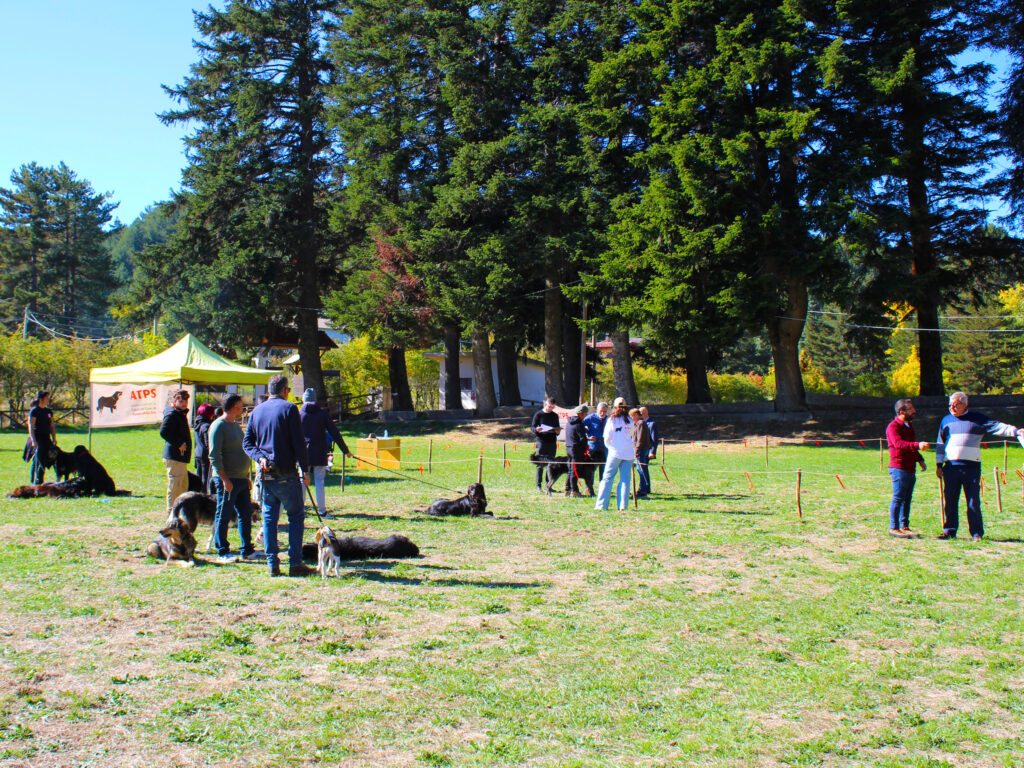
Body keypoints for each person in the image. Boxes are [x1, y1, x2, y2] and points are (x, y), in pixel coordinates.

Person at [243, 374, 314, 576]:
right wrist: (305, 470)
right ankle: (295, 563)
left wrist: (259, 458)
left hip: (266, 474)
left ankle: (273, 564)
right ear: (285, 391)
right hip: (286, 472)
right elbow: (299, 443)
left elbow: (247, 442)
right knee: (295, 516)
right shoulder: (290, 409)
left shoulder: (257, 411)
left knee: (269, 518)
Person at [935, 391, 1023, 541]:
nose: (952, 408)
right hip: (951, 467)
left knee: (973, 501)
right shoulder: (945, 420)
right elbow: (940, 443)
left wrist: (1016, 431)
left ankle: (976, 533)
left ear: (964, 404)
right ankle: (949, 531)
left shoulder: (978, 419)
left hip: (971, 467)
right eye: (950, 405)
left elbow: (997, 427)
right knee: (950, 500)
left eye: (955, 405)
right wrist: (939, 464)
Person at [209, 393, 256, 562]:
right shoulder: (218, 426)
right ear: (233, 407)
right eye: (240, 405)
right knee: (224, 514)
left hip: (241, 479)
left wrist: (246, 476)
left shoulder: (235, 425)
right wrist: (224, 479)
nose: (243, 408)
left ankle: (247, 549)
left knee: (245, 513)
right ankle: (222, 550)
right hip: (227, 480)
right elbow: (214, 455)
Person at [299, 388, 352, 518]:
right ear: (315, 399)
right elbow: (335, 433)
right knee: (319, 482)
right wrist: (345, 450)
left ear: (303, 400)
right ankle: (322, 510)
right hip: (319, 452)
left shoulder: (299, 414)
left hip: (303, 453)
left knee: (302, 481)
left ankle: (299, 511)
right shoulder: (322, 414)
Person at [886, 398, 929, 537]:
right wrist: (918, 445)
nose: (914, 411)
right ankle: (894, 527)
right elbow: (899, 444)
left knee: (907, 498)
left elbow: (910, 447)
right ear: (902, 411)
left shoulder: (909, 426)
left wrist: (920, 459)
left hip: (910, 468)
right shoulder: (893, 427)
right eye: (911, 409)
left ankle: (905, 526)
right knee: (898, 498)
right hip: (899, 468)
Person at [595, 397, 634, 511]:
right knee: (625, 480)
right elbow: (631, 435)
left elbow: (607, 437)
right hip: (628, 453)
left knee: (607, 478)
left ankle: (601, 505)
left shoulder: (612, 420)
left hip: (615, 452)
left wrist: (610, 447)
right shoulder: (630, 421)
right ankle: (623, 506)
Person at [159, 389, 192, 515]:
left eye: (185, 401)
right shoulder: (172, 413)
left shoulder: (179, 413)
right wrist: (179, 443)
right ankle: (171, 513)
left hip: (180, 457)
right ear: (175, 400)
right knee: (175, 487)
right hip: (174, 456)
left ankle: (179, 511)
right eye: (181, 401)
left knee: (182, 486)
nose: (184, 404)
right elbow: (164, 431)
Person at [531, 396, 561, 492]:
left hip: (552, 442)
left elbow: (557, 429)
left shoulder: (555, 416)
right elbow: (532, 427)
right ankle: (538, 486)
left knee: (551, 465)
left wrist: (557, 431)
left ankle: (548, 485)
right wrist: (536, 430)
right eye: (549, 406)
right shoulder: (538, 414)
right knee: (540, 465)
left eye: (553, 407)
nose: (551, 409)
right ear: (545, 404)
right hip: (542, 441)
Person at [27, 390, 57, 484]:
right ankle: (34, 481)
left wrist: (54, 438)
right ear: (41, 399)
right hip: (38, 438)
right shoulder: (35, 411)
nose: (48, 399)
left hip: (47, 438)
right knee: (37, 460)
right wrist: (33, 440)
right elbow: (31, 426)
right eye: (46, 397)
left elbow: (52, 425)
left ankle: (41, 480)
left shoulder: (48, 411)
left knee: (45, 460)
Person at [564, 404, 590, 497]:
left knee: (571, 470)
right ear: (581, 414)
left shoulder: (569, 422)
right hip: (576, 449)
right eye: (585, 414)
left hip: (568, 447)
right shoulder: (579, 424)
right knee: (575, 470)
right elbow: (582, 438)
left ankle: (567, 489)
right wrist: (585, 447)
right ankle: (574, 491)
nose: (585, 416)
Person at [629, 408, 652, 499]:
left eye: (634, 415)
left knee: (641, 470)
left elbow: (640, 439)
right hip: (638, 450)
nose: (632, 417)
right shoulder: (634, 425)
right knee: (642, 469)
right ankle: (645, 488)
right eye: (631, 416)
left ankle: (643, 490)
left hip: (641, 450)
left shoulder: (641, 424)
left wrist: (636, 451)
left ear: (638, 415)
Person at [192, 403, 216, 493]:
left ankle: (198, 493)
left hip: (197, 453)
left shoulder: (197, 423)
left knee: (199, 476)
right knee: (206, 477)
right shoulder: (206, 425)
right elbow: (208, 442)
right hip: (205, 455)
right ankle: (204, 494)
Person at [637, 406, 658, 498]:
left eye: (642, 413)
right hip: (640, 450)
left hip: (646, 450)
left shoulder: (651, 424)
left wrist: (652, 451)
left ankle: (644, 488)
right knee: (643, 469)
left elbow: (654, 440)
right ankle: (646, 487)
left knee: (643, 469)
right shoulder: (638, 424)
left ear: (646, 413)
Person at [583, 402, 608, 468]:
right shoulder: (591, 418)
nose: (602, 413)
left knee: (604, 464)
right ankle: (591, 478)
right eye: (601, 411)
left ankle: (602, 478)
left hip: (604, 443)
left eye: (604, 411)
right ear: (597, 410)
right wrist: (588, 433)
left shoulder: (608, 419)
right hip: (593, 443)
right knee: (591, 464)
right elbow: (581, 426)